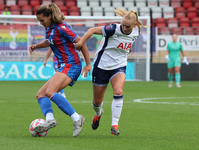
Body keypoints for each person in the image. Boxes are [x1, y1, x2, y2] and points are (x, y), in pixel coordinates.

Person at [75, 8, 147, 136]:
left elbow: (129, 41)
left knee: (118, 91)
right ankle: (98, 113)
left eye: (128, 26)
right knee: (97, 102)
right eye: (123, 25)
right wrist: (81, 42)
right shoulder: (113, 29)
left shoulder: (137, 31)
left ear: (134, 25)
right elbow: (91, 30)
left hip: (119, 66)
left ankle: (114, 125)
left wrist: (127, 49)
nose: (124, 28)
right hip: (101, 66)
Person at [28, 3, 91, 137]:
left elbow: (81, 42)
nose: (40, 23)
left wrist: (88, 64)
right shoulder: (50, 29)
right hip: (64, 65)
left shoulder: (62, 28)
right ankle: (50, 120)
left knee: (51, 91)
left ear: (50, 16)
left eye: (42, 20)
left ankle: (76, 118)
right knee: (40, 94)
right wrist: (36, 46)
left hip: (72, 64)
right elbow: (49, 41)